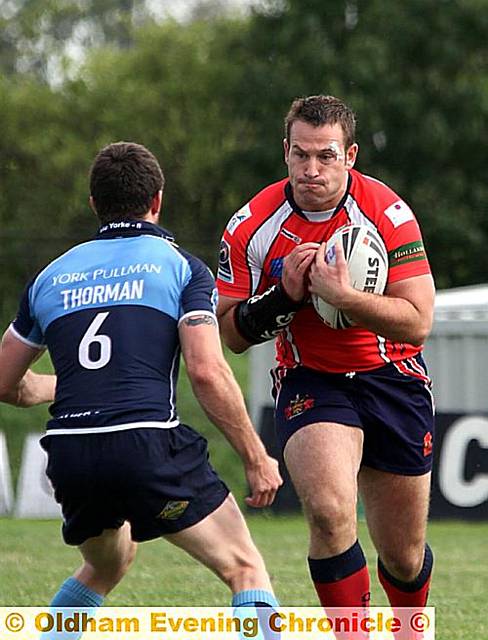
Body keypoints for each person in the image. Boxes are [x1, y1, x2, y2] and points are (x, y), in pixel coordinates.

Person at [0, 141, 282, 635]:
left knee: (106, 565)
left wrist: (62, 386)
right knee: (244, 568)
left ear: (94, 205)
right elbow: (206, 370)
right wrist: (256, 457)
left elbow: (6, 383)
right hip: (146, 444)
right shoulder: (180, 267)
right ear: (157, 200)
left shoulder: (50, 276)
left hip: (71, 454)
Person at [217, 95, 435, 622]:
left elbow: (418, 321)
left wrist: (345, 298)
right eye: (301, 155)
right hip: (312, 378)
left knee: (403, 558)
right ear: (286, 152)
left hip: (392, 377)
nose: (311, 169)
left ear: (350, 155)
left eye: (326, 156)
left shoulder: (387, 211)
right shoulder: (251, 225)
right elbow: (231, 333)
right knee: (330, 512)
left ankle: (410, 633)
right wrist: (283, 296)